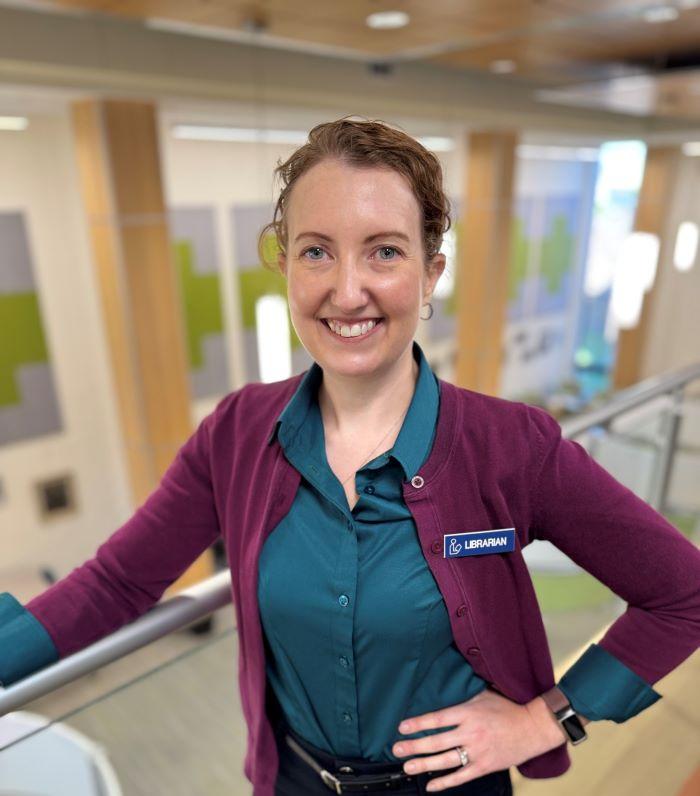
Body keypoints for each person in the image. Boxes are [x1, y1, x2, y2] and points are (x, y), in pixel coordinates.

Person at [1, 117, 699, 796]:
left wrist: (548, 720)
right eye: (316, 252)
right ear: (285, 266)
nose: (346, 290)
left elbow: (684, 594)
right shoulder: (237, 431)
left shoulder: (513, 447)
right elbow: (117, 582)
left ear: (431, 274)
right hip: (294, 780)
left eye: (384, 252)